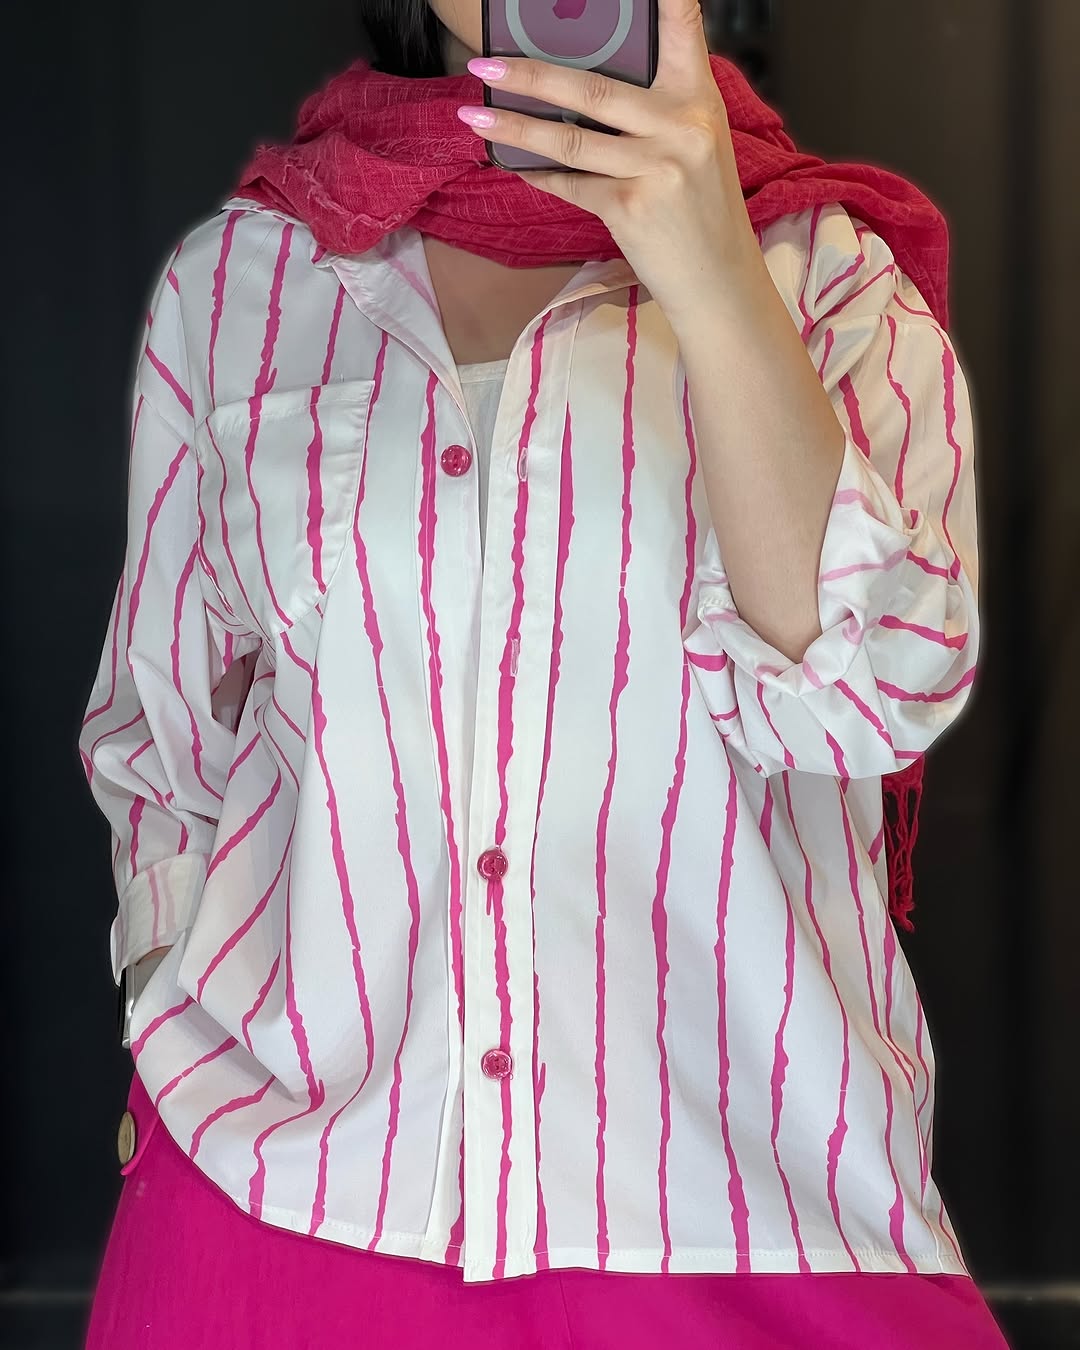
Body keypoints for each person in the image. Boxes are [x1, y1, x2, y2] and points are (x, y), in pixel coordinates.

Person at [78, 1, 1011, 1346]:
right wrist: (165, 1011)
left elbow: (868, 699)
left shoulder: (828, 282)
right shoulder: (239, 284)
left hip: (742, 1221)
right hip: (279, 1209)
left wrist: (712, 272)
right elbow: (161, 743)